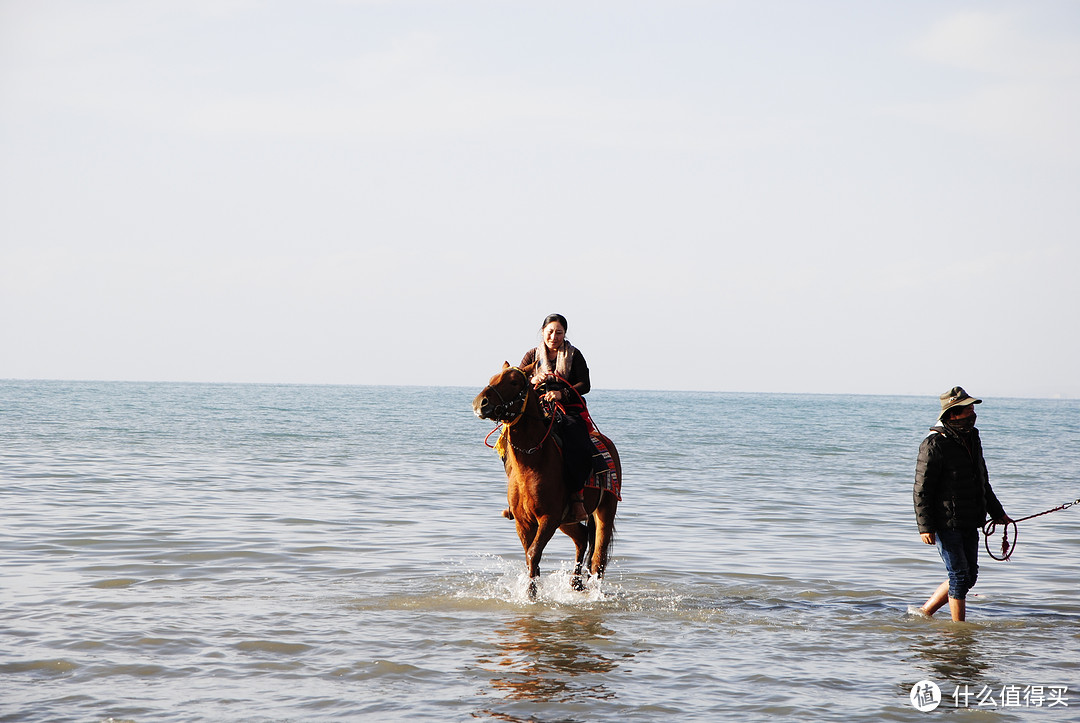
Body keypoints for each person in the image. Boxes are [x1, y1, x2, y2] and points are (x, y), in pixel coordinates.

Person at [913, 386, 1011, 621]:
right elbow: (921, 489)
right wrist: (925, 527)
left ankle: (924, 613)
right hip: (945, 522)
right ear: (953, 413)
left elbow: (982, 481)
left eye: (972, 408)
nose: (972, 413)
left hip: (970, 519)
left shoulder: (973, 438)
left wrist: (997, 513)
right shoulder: (934, 444)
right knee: (958, 575)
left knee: (969, 576)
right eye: (967, 409)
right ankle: (958, 633)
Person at [520, 313, 592, 523]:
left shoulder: (574, 355)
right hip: (538, 407)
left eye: (558, 333)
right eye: (550, 332)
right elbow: (518, 379)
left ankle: (577, 496)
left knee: (575, 438)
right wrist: (533, 378)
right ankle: (515, 497)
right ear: (542, 332)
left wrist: (562, 393)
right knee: (510, 439)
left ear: (564, 334)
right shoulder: (532, 355)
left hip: (567, 407)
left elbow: (585, 384)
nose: (554, 336)